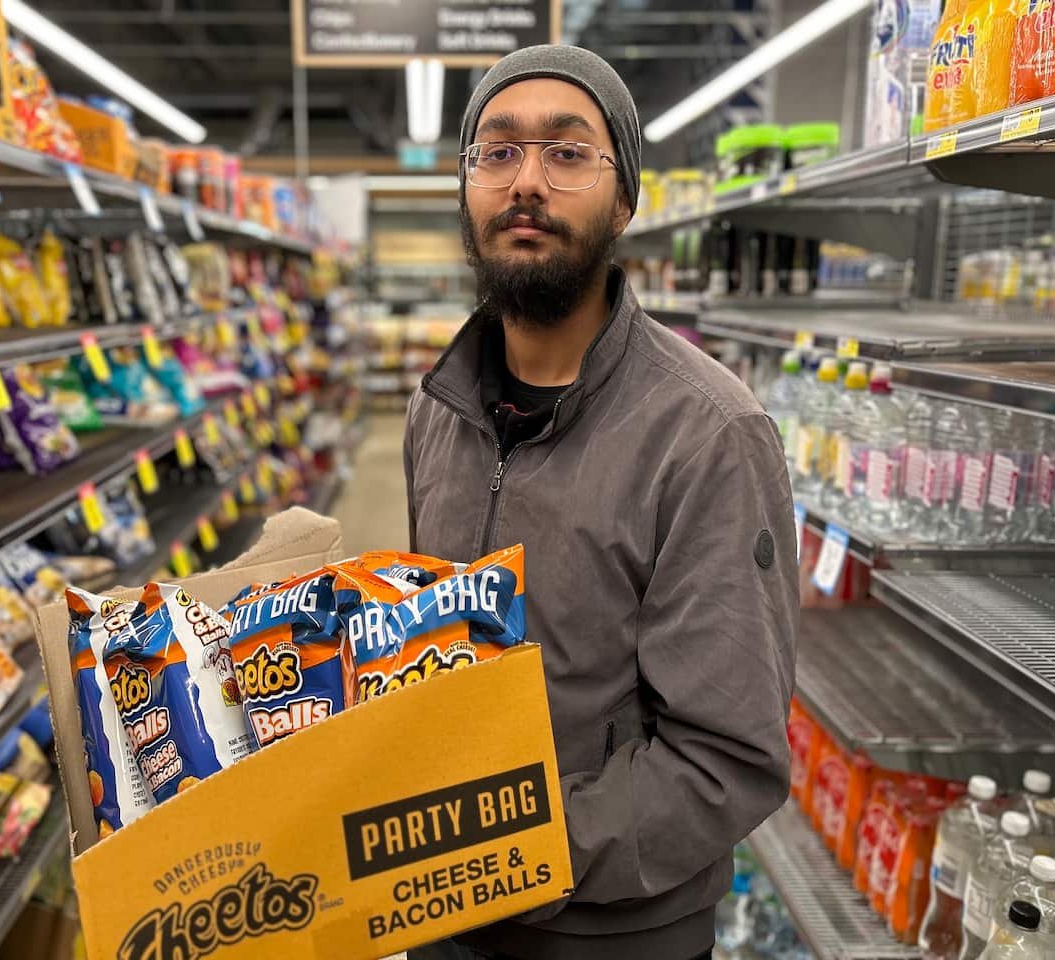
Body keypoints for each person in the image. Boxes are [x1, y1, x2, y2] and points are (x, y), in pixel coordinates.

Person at [404, 45, 799, 960]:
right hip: (436, 909)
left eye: (568, 152)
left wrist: (500, 853)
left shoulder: (707, 433)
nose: (526, 182)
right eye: (496, 153)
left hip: (613, 930)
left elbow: (725, 759)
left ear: (626, 199)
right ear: (466, 188)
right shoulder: (436, 409)